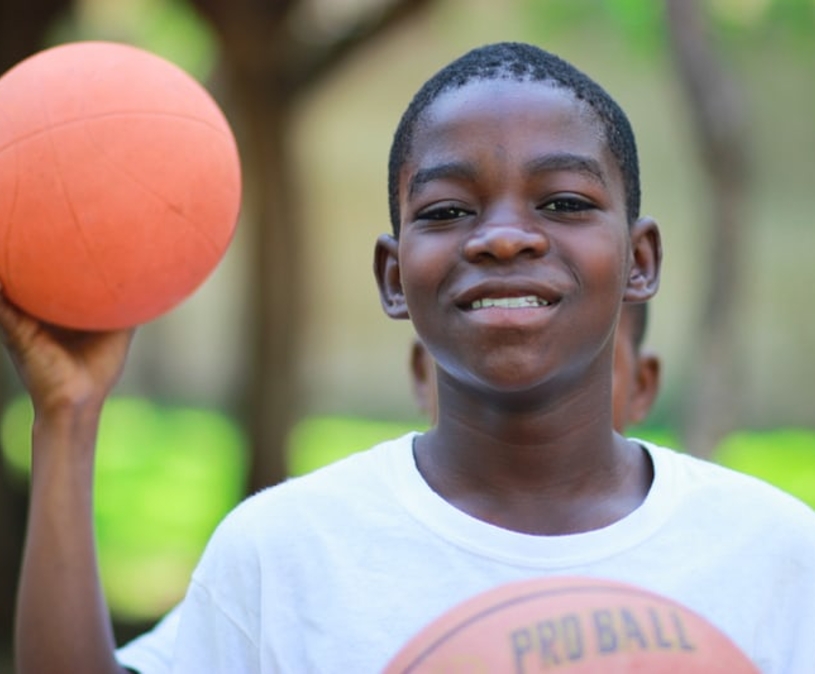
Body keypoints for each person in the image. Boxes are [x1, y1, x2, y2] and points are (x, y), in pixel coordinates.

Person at [3, 41, 814, 674]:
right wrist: (68, 418)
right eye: (448, 209)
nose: (502, 235)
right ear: (394, 276)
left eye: (563, 203)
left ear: (640, 260)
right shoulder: (287, 551)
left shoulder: (772, 553)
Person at [114, 301, 662, 673]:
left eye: (588, 365)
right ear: (424, 374)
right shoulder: (300, 547)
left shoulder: (731, 540)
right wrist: (69, 419)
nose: (529, 383)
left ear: (643, 385)